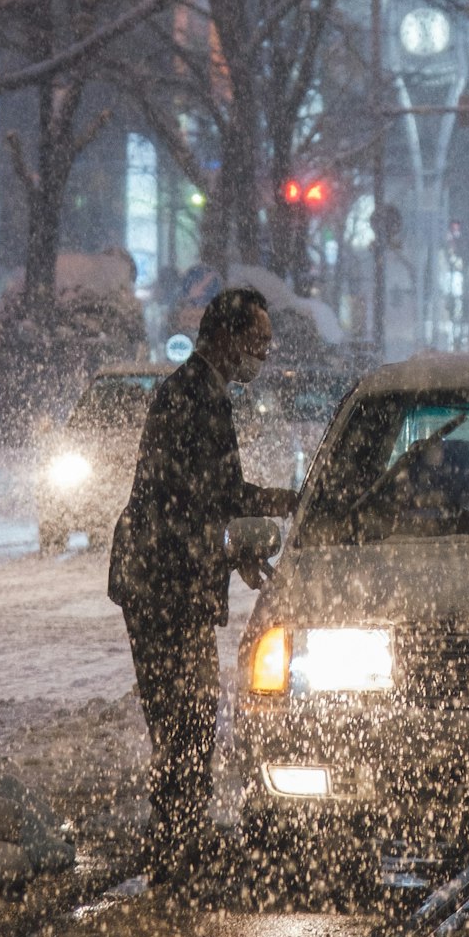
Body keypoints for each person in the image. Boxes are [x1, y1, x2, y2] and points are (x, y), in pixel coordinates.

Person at [109, 285, 293, 882]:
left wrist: (245, 534)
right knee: (183, 716)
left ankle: (179, 835)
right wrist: (269, 516)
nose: (260, 359)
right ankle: (175, 845)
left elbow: (211, 498)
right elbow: (203, 500)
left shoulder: (201, 392)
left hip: (164, 577)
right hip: (163, 582)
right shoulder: (195, 399)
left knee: (186, 716)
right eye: (258, 344)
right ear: (227, 337)